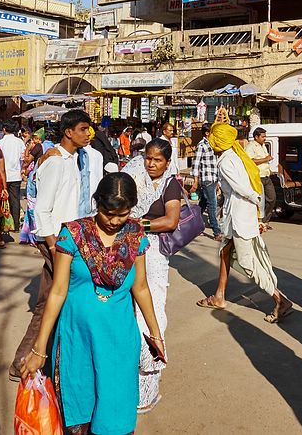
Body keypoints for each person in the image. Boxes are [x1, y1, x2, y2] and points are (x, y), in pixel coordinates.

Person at [18, 172, 166, 435]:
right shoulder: (73, 234)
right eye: (108, 212)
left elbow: (140, 287)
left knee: (114, 414)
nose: (114, 221)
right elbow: (58, 291)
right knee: (79, 410)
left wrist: (155, 333)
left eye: (122, 214)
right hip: (78, 339)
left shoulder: (135, 236)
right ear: (96, 203)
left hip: (119, 340)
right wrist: (40, 348)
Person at [10, 109, 99, 378]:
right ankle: (26, 360)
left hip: (72, 236)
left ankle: (39, 358)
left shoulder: (78, 159)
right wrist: (52, 247)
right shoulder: (56, 162)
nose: (87, 134)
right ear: (68, 132)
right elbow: (43, 210)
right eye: (83, 129)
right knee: (54, 300)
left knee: (51, 299)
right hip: (57, 238)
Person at [196, 123, 292, 323]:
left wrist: (257, 206)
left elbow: (243, 189)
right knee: (225, 251)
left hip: (240, 217)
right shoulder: (235, 156)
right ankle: (219, 296)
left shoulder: (226, 161)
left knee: (248, 264)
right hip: (238, 216)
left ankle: (280, 299)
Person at [122, 138, 182, 413]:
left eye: (157, 160)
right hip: (130, 249)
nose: (151, 163)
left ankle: (148, 385)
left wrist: (138, 224)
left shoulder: (170, 184)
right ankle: (129, 378)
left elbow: (170, 221)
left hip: (155, 254)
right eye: (148, 158)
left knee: (151, 314)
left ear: (167, 162)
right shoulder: (136, 177)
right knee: (130, 314)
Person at [191, 124, 221, 240]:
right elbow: (196, 164)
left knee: (202, 205)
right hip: (206, 179)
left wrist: (218, 180)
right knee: (212, 205)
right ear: (207, 133)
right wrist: (195, 181)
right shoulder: (201, 145)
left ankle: (194, 226)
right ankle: (216, 232)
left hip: (213, 179)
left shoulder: (213, 145)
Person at [0, 119, 26, 230]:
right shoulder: (19, 142)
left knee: (2, 200)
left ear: (4, 129)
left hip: (3, 175)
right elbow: (23, 158)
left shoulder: (0, 143)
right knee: (15, 200)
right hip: (15, 175)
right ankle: (16, 225)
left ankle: (3, 224)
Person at [245, 127, 277, 224]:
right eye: (263, 137)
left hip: (266, 176)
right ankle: (258, 222)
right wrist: (265, 159)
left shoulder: (263, 146)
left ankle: (264, 220)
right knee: (260, 201)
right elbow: (250, 161)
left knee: (272, 198)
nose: (265, 138)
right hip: (257, 177)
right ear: (256, 137)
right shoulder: (251, 146)